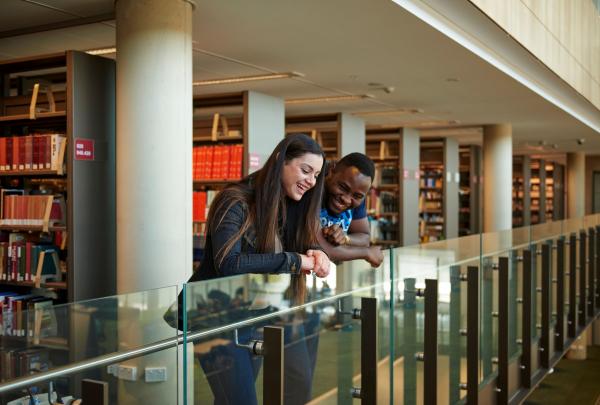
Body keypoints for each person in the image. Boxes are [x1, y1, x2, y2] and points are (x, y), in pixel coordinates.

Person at [183, 133, 331, 405]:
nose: (311, 181)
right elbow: (228, 263)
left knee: (231, 399)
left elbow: (293, 242)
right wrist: (295, 261)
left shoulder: (286, 207)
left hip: (253, 315)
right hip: (215, 317)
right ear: (279, 161)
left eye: (316, 175)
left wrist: (316, 250)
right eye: (305, 170)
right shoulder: (234, 200)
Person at [318, 152, 384, 267]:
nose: (347, 200)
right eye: (343, 187)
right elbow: (322, 247)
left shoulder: (357, 193)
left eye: (357, 196)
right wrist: (367, 253)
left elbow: (364, 237)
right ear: (332, 172)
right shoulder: (313, 188)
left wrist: (345, 238)